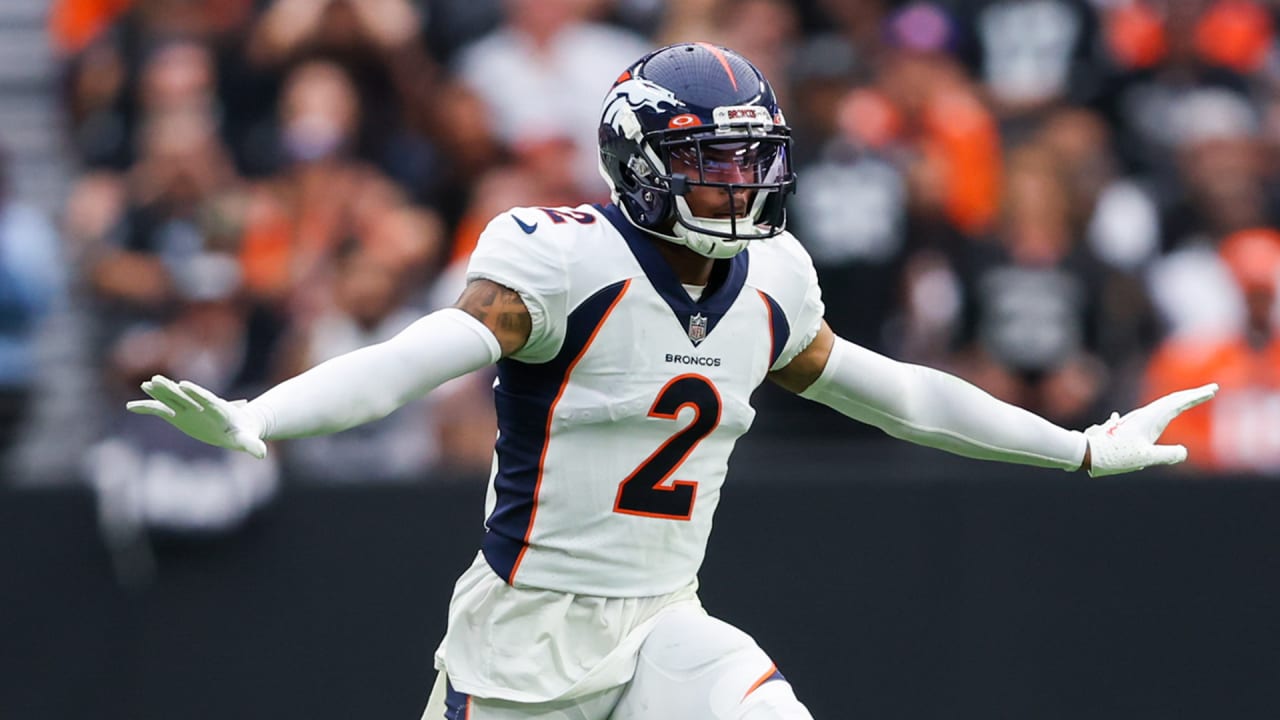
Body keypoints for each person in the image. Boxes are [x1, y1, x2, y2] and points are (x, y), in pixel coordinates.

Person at [127, 43, 1217, 720]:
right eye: (713, 159)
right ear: (638, 162)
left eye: (753, 157)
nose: (742, 181)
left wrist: (1073, 444)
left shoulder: (774, 277)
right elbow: (419, 356)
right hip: (521, 646)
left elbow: (899, 394)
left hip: (660, 623)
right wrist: (265, 413)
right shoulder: (559, 259)